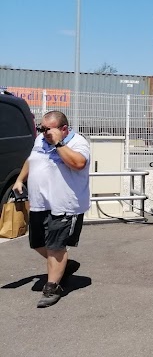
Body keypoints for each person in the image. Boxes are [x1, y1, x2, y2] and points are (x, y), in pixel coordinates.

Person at [13, 110, 90, 308]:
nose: (43, 132)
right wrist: (20, 179)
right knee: (38, 243)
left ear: (63, 129)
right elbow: (32, 160)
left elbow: (79, 163)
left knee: (56, 246)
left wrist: (58, 144)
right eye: (41, 128)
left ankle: (52, 286)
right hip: (40, 203)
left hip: (65, 205)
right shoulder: (40, 140)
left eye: (48, 129)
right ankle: (63, 266)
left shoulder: (78, 142)